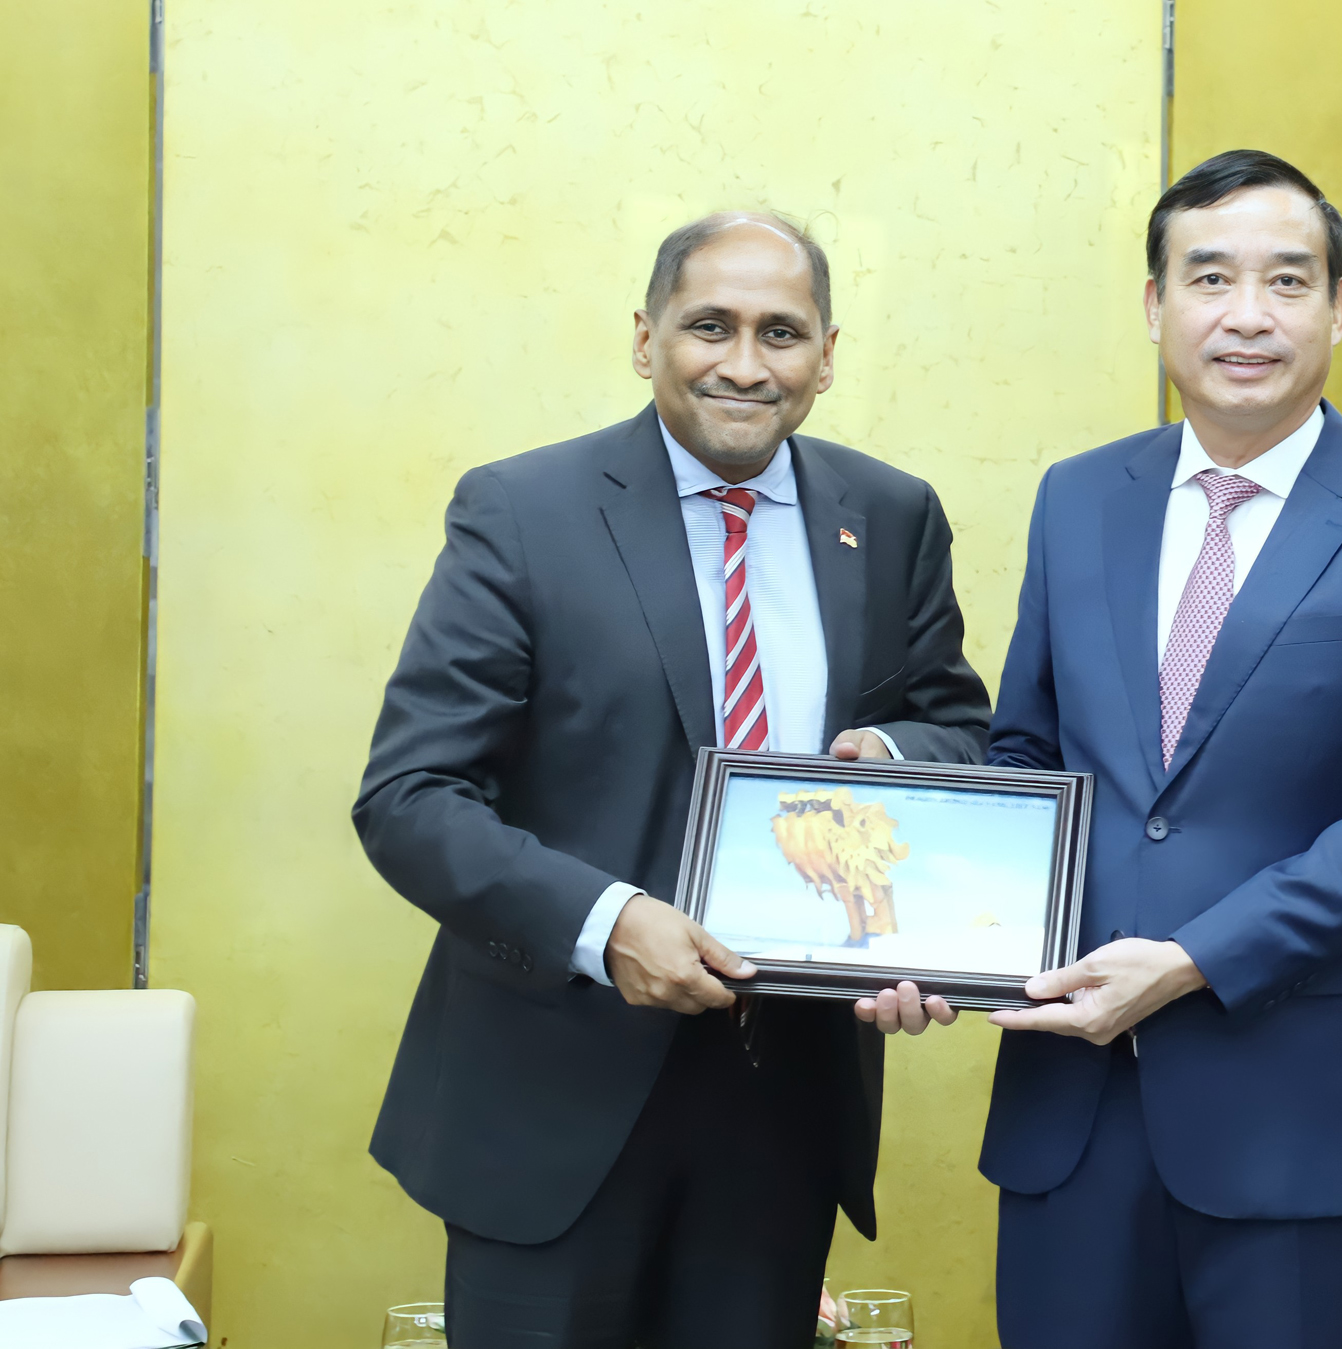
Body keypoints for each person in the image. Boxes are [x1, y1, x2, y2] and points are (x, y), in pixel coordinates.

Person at [353, 212, 989, 1347]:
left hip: (784, 1103)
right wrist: (608, 924)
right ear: (645, 339)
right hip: (553, 1093)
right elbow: (411, 796)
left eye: (780, 332)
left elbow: (953, 730)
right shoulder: (522, 511)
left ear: (827, 355)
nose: (745, 363)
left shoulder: (889, 517)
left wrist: (887, 765)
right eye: (711, 325)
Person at [977, 150, 1342, 1347]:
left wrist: (1194, 957)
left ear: (1339, 306)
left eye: (1286, 279)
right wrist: (934, 930)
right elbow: (1026, 754)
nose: (1247, 315)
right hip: (1073, 1106)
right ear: (1155, 305)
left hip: (1301, 1107)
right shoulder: (1077, 499)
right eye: (1209, 278)